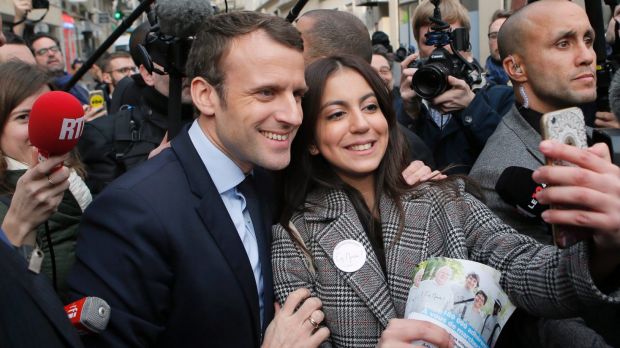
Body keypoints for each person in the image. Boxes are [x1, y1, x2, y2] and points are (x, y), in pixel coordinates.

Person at [271, 54, 620, 348]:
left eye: (370, 106)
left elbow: (532, 272)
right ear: (312, 140)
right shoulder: (294, 237)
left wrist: (606, 248)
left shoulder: (445, 198)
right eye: (336, 114)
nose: (361, 124)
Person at [68, 12, 329, 347]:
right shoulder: (131, 213)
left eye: (297, 95)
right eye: (266, 92)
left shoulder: (266, 177)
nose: (292, 115)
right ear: (205, 96)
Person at [0, 60, 92, 301]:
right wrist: (17, 228)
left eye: (46, 115)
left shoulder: (73, 179)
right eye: (23, 117)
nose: (40, 128)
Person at [399, 0, 514, 174]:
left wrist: (472, 108)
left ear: (465, 45)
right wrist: (408, 114)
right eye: (429, 41)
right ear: (418, 48)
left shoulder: (500, 97)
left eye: (448, 40)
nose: (440, 50)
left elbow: (512, 156)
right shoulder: (406, 102)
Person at [29, 33, 89, 104]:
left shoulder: (76, 85)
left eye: (54, 49)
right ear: (33, 59)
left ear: (61, 53)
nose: (51, 54)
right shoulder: (35, 94)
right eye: (43, 51)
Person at [484, 10, 511, 86]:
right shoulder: (480, 82)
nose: (499, 41)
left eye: (505, 34)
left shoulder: (530, 78)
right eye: (494, 36)